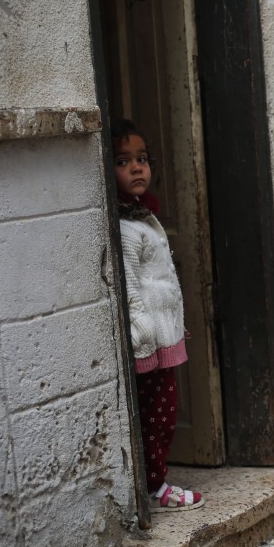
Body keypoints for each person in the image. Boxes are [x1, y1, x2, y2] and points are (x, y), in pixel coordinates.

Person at [112, 119, 204, 512]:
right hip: (146, 341)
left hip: (163, 337)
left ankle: (155, 480)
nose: (136, 168)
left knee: (162, 415)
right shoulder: (124, 228)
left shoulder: (143, 217)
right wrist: (143, 333)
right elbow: (130, 288)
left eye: (142, 159)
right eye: (123, 161)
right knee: (155, 417)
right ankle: (155, 486)